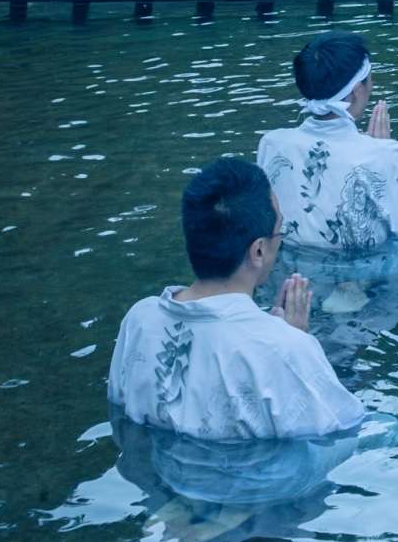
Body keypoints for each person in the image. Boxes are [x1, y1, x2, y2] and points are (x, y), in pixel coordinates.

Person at [108, 155, 365, 442]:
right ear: (258, 251)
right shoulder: (284, 348)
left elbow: (121, 409)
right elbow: (339, 433)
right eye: (280, 231)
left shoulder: (140, 319)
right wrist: (298, 343)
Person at [256, 30, 398, 254]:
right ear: (356, 91)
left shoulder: (272, 143)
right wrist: (382, 156)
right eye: (369, 78)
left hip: (289, 275)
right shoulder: (386, 155)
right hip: (366, 278)